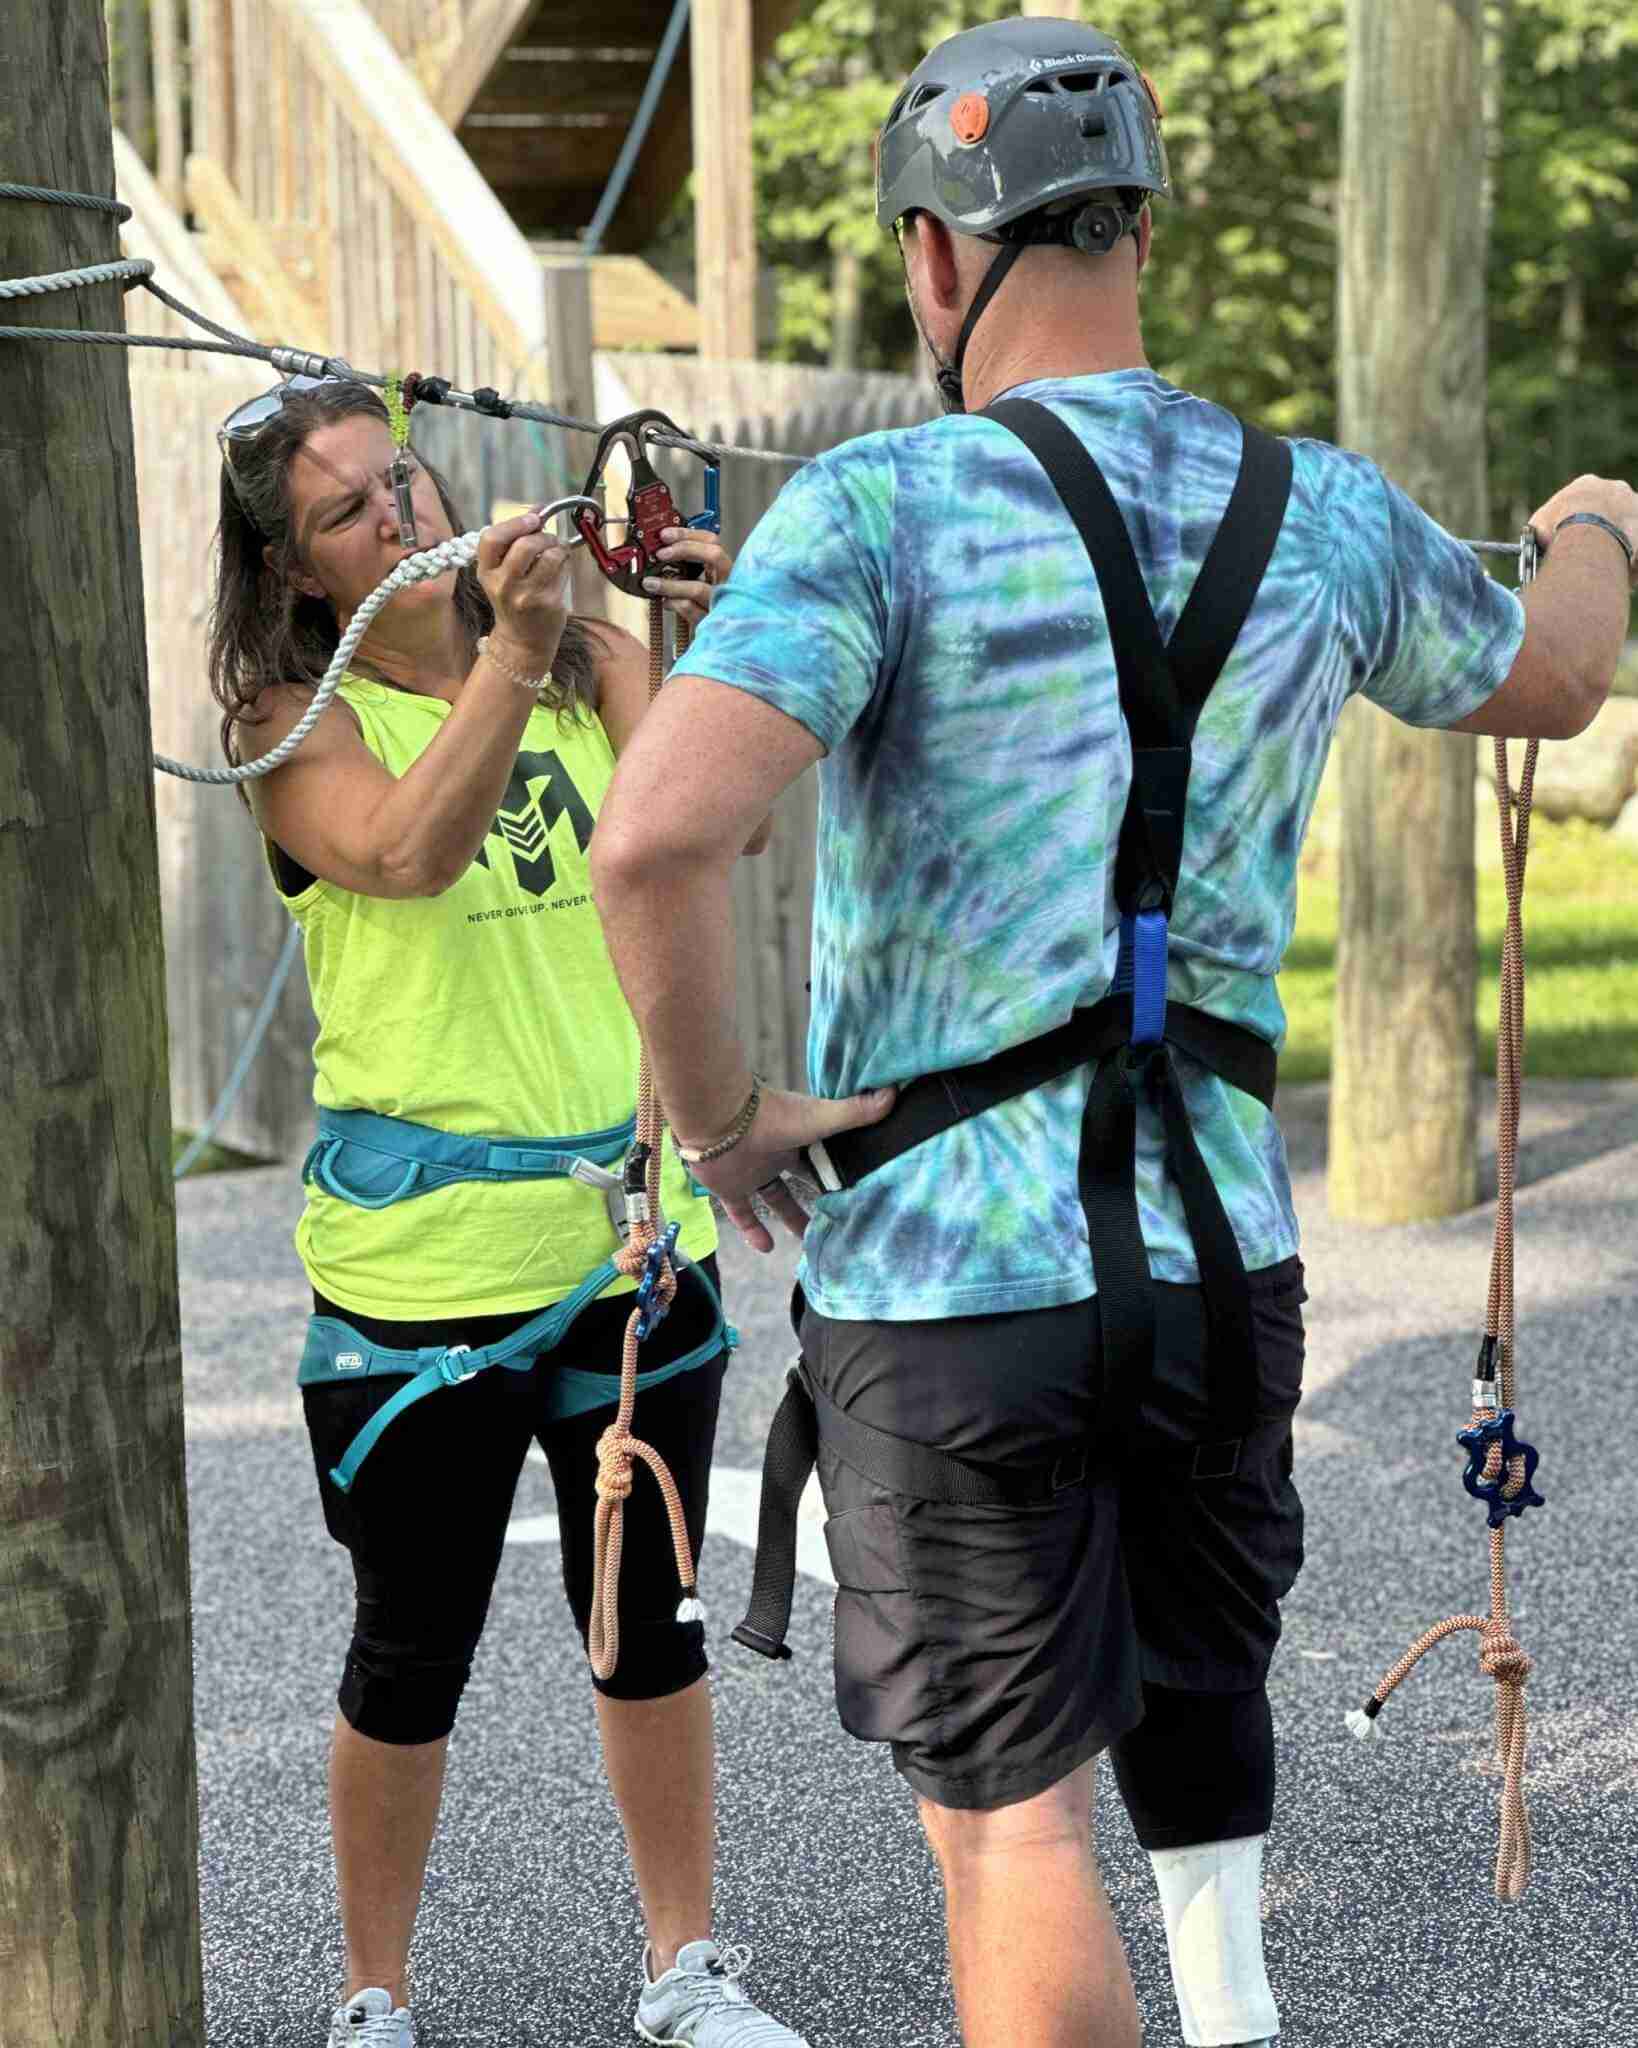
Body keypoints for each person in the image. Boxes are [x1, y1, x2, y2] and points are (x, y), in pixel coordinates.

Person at [588, 17, 1638, 2048]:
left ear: (932, 255)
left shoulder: (878, 510)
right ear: (1139, 231)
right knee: (1201, 1702)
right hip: (1221, 1270)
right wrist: (1591, 513)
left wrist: (720, 1122)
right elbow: (1558, 674)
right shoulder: (1322, 513)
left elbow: (655, 842)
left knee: (1012, 1833)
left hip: (955, 1294)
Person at [207, 374, 814, 2048]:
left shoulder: (585, 664)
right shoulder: (289, 719)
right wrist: (512, 653)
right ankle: (374, 1996)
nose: (399, 515)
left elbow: (731, 832)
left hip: (637, 1245)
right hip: (422, 1277)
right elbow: (408, 852)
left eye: (400, 477)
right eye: (347, 511)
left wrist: (687, 639)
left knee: (651, 1628)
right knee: (410, 1650)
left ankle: (683, 1967)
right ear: (298, 572)